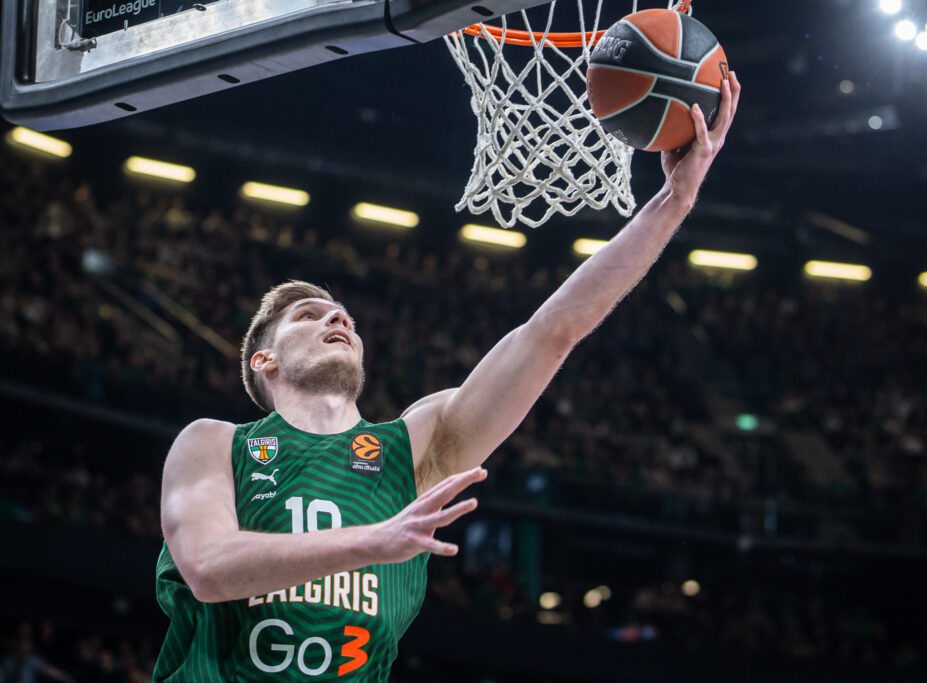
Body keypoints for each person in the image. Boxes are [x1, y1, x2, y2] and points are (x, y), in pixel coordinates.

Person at [154, 73, 741, 681]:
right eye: (308, 315)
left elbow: (550, 332)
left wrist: (674, 201)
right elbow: (209, 567)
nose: (336, 317)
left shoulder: (415, 449)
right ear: (264, 361)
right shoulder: (214, 444)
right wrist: (373, 541)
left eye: (343, 315)